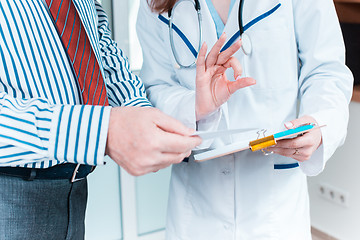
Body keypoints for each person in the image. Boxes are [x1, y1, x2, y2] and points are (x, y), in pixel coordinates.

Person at [136, 0, 354, 239]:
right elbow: (155, 86)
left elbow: (326, 70)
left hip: (275, 207)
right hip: (197, 205)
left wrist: (318, 122)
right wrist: (196, 106)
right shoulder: (154, 4)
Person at [0, 0, 206, 239]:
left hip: (73, 189)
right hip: (10, 190)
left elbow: (101, 48)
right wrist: (103, 130)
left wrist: (140, 112)